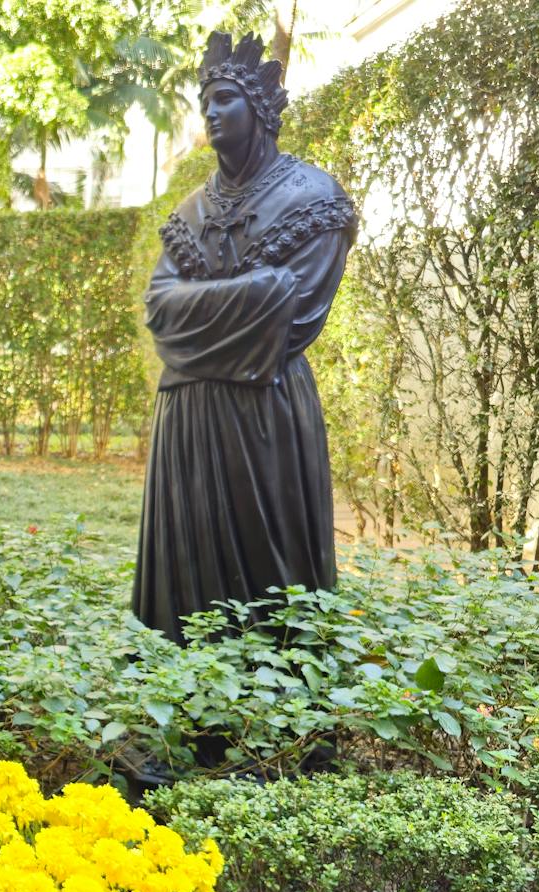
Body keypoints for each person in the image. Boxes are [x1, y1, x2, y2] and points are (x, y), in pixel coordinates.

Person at [132, 31, 357, 640]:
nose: (209, 111)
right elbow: (160, 312)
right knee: (189, 573)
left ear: (258, 110)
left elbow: (296, 313)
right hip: (186, 426)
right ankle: (187, 722)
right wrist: (255, 293)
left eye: (224, 97)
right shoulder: (187, 213)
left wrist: (201, 315)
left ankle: (279, 724)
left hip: (266, 422)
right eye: (205, 99)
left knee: (273, 582)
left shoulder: (314, 198)